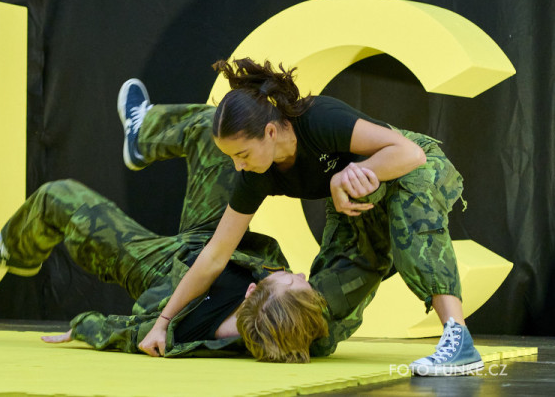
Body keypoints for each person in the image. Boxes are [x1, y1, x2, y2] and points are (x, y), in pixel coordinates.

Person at [139, 58, 483, 376]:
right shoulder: (256, 175)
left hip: (408, 172)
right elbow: (215, 255)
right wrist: (164, 321)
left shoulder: (317, 118)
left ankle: (459, 339)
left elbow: (410, 154)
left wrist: (345, 177)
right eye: (232, 158)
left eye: (242, 154)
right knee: (313, 323)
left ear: (270, 133)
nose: (237, 165)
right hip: (356, 204)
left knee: (411, 226)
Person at [0, 79, 328, 359]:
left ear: (253, 293)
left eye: (294, 281)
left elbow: (134, 332)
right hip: (208, 240)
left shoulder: (193, 332)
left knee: (58, 197)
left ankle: (15, 250)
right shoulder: (298, 319)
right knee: (213, 125)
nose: (300, 275)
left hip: (158, 268)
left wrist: (86, 328)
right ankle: (144, 134)